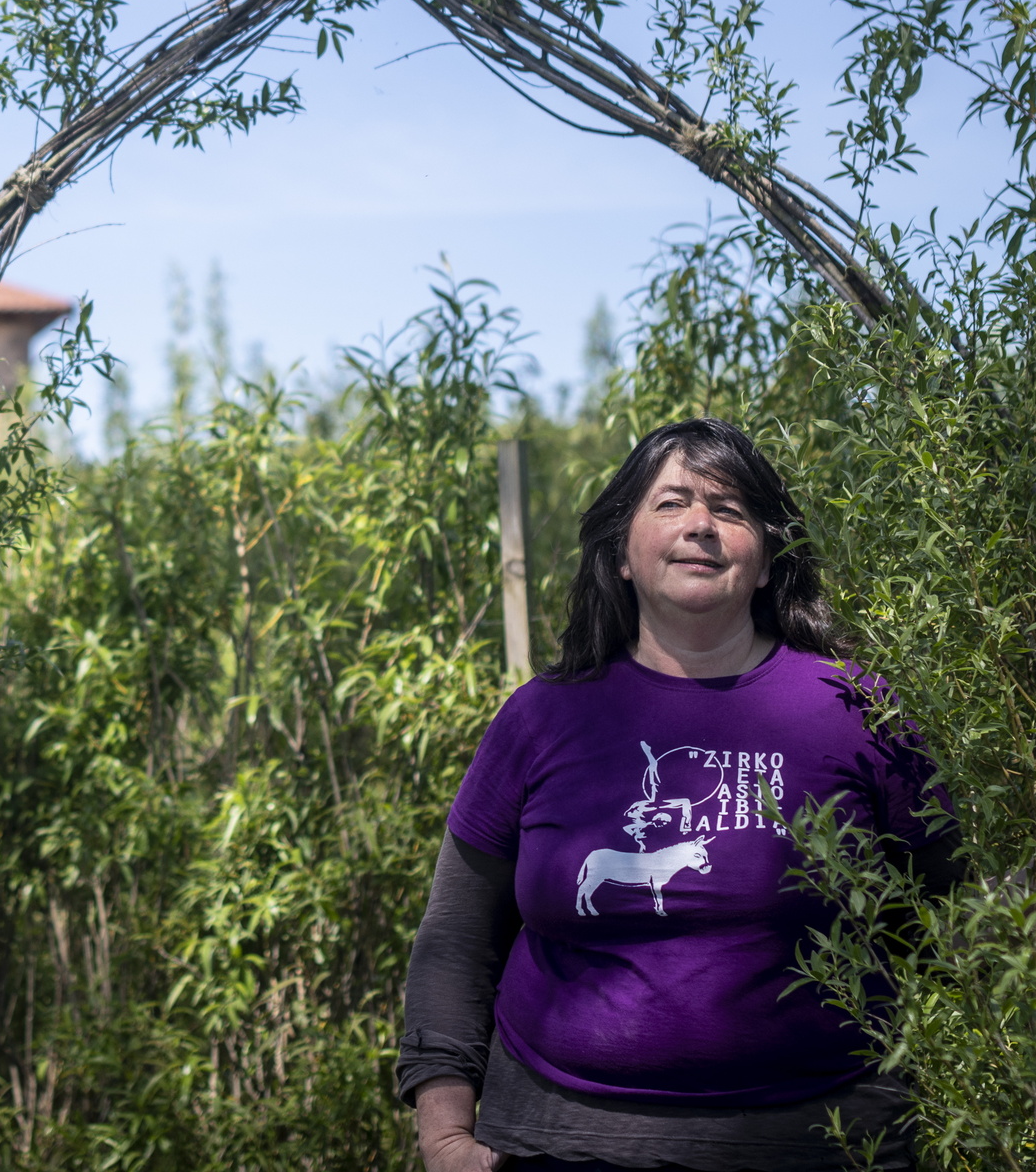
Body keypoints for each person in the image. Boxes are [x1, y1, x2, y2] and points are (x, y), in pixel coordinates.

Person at [397, 417, 957, 1172]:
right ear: (622, 555)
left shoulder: (857, 709)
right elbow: (455, 941)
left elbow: (959, 916)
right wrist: (443, 1137)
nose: (700, 524)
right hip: (554, 1145)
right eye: (671, 503)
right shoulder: (542, 717)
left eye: (729, 509)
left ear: (765, 562)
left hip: (825, 1144)